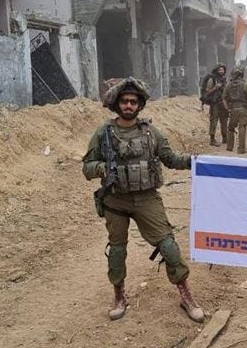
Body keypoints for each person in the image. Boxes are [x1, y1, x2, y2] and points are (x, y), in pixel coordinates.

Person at [82, 77, 205, 323]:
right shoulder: (104, 133)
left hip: (147, 199)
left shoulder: (151, 132)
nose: (129, 105)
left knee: (168, 246)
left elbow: (170, 158)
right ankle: (119, 297)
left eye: (133, 102)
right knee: (117, 251)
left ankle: (186, 296)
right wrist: (103, 168)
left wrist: (195, 161)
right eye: (125, 101)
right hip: (115, 201)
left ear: (139, 106)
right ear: (117, 104)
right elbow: (87, 168)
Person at [222, 67, 247, 154]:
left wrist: (227, 108)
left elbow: (224, 98)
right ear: (241, 75)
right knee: (242, 128)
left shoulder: (228, 85)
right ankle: (241, 149)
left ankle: (229, 147)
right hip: (243, 109)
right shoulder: (246, 85)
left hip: (233, 109)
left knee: (231, 128)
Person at [204, 63, 228, 147]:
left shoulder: (224, 80)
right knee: (214, 121)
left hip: (223, 103)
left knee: (224, 120)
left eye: (223, 70)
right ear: (217, 70)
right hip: (215, 104)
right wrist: (216, 87)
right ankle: (212, 139)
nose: (221, 71)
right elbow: (207, 92)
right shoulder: (212, 80)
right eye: (220, 70)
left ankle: (225, 137)